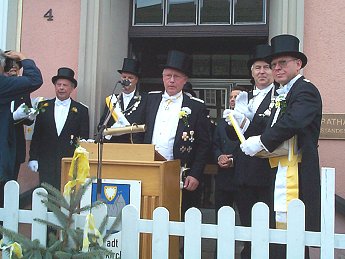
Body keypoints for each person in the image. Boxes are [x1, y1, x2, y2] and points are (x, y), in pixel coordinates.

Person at [240, 34, 322, 258]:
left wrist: (262, 141)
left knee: (293, 236)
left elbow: (293, 122)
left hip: (297, 172)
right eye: (274, 64)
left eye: (282, 63)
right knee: (276, 235)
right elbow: (270, 125)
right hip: (278, 172)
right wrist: (245, 121)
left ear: (298, 64)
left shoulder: (305, 90)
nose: (276, 68)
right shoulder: (283, 92)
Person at [224, 44, 277, 259]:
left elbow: (269, 131)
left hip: (265, 173)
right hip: (244, 173)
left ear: (273, 71)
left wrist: (246, 122)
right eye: (257, 67)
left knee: (266, 229)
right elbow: (232, 135)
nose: (262, 71)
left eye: (266, 67)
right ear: (251, 72)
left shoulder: (279, 96)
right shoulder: (245, 97)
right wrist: (233, 121)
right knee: (246, 225)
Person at [143, 50, 210, 219]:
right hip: (149, 169)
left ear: (185, 80)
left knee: (180, 215)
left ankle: (180, 247)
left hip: (181, 172)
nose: (171, 80)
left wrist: (195, 173)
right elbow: (139, 133)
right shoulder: (149, 100)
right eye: (168, 75)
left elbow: (204, 144)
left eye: (177, 76)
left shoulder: (195, 107)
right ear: (162, 77)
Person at [28, 67, 90, 190]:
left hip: (69, 162)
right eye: (58, 84)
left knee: (67, 197)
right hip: (47, 161)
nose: (61, 88)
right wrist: (33, 158)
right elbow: (37, 135)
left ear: (72, 88)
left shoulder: (81, 110)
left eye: (65, 85)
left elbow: (84, 139)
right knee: (47, 197)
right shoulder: (43, 106)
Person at [0, 49, 43, 207]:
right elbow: (34, 79)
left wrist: (27, 117)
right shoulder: (4, 84)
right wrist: (24, 58)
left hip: (12, 148)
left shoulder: (13, 88)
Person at [98, 58, 147, 143]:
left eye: (130, 78)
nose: (126, 80)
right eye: (124, 77)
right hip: (114, 145)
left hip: (134, 147)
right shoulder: (112, 99)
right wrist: (111, 130)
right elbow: (101, 125)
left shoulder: (144, 99)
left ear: (136, 80)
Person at [213, 87, 244, 214]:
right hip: (223, 176)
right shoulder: (222, 122)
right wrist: (219, 156)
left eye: (236, 97)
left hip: (242, 175)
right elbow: (214, 144)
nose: (232, 100)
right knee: (222, 214)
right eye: (231, 97)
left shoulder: (249, 120)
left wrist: (233, 160)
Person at [4, 57, 35, 181]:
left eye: (16, 68)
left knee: (12, 183)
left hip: (15, 144)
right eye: (10, 67)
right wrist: (12, 117)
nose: (13, 70)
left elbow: (26, 120)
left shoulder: (22, 90)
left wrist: (30, 117)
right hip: (3, 143)